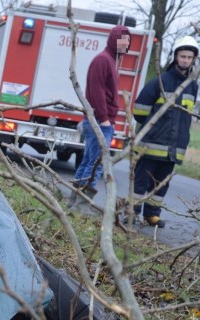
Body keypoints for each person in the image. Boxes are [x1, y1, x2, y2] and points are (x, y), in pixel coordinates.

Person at [128, 36, 200, 227]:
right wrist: (155, 128)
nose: (185, 60)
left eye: (189, 57)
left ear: (193, 60)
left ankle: (152, 215)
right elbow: (139, 111)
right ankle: (132, 212)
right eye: (182, 56)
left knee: (161, 184)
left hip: (173, 148)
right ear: (175, 56)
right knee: (141, 182)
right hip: (150, 146)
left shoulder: (193, 85)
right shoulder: (160, 81)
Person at [73, 25, 131, 196]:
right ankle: (81, 204)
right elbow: (95, 91)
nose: (126, 44)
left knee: (88, 162)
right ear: (114, 39)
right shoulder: (103, 60)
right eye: (123, 39)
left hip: (101, 121)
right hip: (99, 122)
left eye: (128, 41)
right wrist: (104, 118)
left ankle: (74, 202)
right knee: (97, 164)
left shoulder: (111, 60)